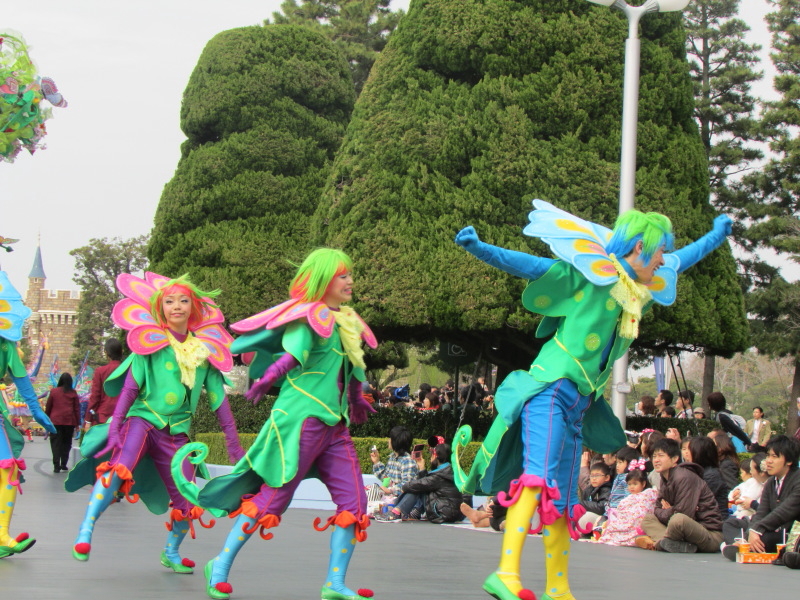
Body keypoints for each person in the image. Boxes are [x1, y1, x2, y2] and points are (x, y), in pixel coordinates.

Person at [452, 200, 732, 600]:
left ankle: (558, 588)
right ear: (639, 248)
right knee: (537, 480)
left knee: (565, 500)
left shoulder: (636, 292)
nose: (662, 260)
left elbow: (683, 259)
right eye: (658, 252)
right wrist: (480, 249)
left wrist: (716, 236)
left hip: (578, 406)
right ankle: (506, 574)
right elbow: (533, 266)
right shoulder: (589, 274)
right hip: (550, 391)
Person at [170, 249, 378, 600]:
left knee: (355, 503)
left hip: (335, 427)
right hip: (300, 423)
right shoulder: (308, 318)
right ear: (324, 279)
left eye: (349, 275)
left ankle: (335, 584)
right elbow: (293, 355)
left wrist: (356, 399)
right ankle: (219, 565)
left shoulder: (348, 321)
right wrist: (267, 378)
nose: (350, 281)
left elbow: (353, 367)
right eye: (343, 275)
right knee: (273, 498)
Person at [66, 272, 244, 572]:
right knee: (119, 468)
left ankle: (171, 552)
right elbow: (130, 389)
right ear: (160, 308)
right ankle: (86, 528)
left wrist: (234, 445)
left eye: (183, 301)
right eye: (170, 301)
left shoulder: (203, 352)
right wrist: (116, 427)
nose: (177, 306)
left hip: (177, 434)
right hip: (143, 421)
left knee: (189, 496)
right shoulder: (148, 344)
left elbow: (219, 402)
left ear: (193, 307)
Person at [0, 271, 57, 558]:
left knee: (8, 469)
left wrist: (37, 410)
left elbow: (22, 379)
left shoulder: (6, 345)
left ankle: (2, 535)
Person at [638, 438, 724, 553]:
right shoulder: (665, 478)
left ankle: (661, 543)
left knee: (678, 519)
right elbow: (657, 509)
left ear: (675, 459)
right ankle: (673, 544)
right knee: (648, 519)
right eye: (654, 456)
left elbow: (684, 513)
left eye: (661, 456)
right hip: (684, 532)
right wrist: (672, 510)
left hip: (709, 534)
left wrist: (670, 510)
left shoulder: (684, 477)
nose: (656, 460)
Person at [721, 435, 800, 561]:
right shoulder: (771, 482)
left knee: (764, 538)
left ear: (789, 461)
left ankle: (742, 546)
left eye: (774, 456)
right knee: (730, 524)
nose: (768, 461)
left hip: (791, 532)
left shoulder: (797, 479)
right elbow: (761, 512)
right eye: (768, 456)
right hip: (774, 529)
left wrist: (757, 530)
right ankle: (742, 544)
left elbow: (784, 512)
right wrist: (751, 531)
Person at [384, 443, 463, 524]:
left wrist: (404, 487)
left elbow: (420, 484)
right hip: (451, 512)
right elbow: (426, 483)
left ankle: (396, 511)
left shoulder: (439, 475)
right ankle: (410, 511)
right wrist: (422, 468)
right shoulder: (449, 471)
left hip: (441, 513)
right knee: (418, 487)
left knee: (415, 488)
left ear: (435, 456)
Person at [598, 467, 659, 547]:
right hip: (625, 522)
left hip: (639, 524)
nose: (632, 487)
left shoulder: (648, 494)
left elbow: (644, 509)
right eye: (629, 484)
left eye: (635, 484)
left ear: (643, 484)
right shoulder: (626, 499)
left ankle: (639, 537)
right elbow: (621, 512)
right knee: (612, 526)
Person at [721, 453, 768, 547]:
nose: (751, 473)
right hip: (750, 518)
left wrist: (751, 503)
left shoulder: (769, 484)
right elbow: (739, 490)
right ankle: (735, 545)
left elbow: (767, 510)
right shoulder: (755, 482)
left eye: (752, 469)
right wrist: (738, 492)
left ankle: (737, 545)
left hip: (760, 520)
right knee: (730, 523)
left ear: (761, 472)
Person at [687, 436, 730, 520]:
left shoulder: (712, 476)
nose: (686, 453)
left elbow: (696, 502)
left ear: (699, 453)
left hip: (714, 521)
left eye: (690, 450)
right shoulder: (698, 471)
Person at [44, 372, 80, 473]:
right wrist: (77, 423)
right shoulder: (73, 393)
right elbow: (76, 409)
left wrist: (46, 419)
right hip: (69, 421)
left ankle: (56, 465)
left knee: (55, 443)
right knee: (66, 443)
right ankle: (64, 463)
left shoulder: (54, 391)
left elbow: (49, 406)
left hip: (55, 421)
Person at [84, 338, 123, 429]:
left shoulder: (100, 371)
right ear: (122, 351)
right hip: (124, 417)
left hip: (103, 418)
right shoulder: (130, 370)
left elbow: (95, 397)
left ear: (106, 352)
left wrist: (88, 420)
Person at [371, 425, 419, 497]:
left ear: (396, 442)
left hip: (399, 500)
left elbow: (407, 485)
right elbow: (386, 478)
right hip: (388, 498)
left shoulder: (408, 461)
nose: (388, 440)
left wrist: (391, 490)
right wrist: (376, 462)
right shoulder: (393, 457)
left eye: (391, 438)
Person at [578, 462, 612, 532]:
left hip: (602, 518)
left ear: (607, 477)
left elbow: (601, 508)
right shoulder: (588, 490)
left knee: (586, 517)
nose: (594, 478)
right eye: (592, 475)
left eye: (597, 475)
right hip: (590, 516)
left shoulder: (607, 490)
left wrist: (582, 503)